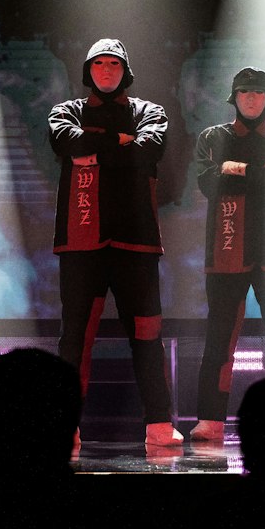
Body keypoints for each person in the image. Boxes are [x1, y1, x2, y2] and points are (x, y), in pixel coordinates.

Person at [47, 38, 182, 447]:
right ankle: (65, 425)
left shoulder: (150, 111)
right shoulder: (65, 111)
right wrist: (121, 141)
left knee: (147, 333)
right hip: (81, 240)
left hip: (135, 239)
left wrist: (98, 145)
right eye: (99, 64)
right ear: (89, 71)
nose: (106, 71)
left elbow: (149, 150)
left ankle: (159, 424)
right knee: (75, 337)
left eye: (114, 65)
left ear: (125, 71)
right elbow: (69, 142)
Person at [189, 67, 265, 442]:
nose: (251, 99)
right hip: (226, 251)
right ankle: (211, 420)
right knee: (219, 337)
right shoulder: (213, 137)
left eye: (257, 93)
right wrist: (263, 172)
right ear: (234, 98)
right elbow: (209, 182)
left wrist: (234, 171)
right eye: (243, 93)